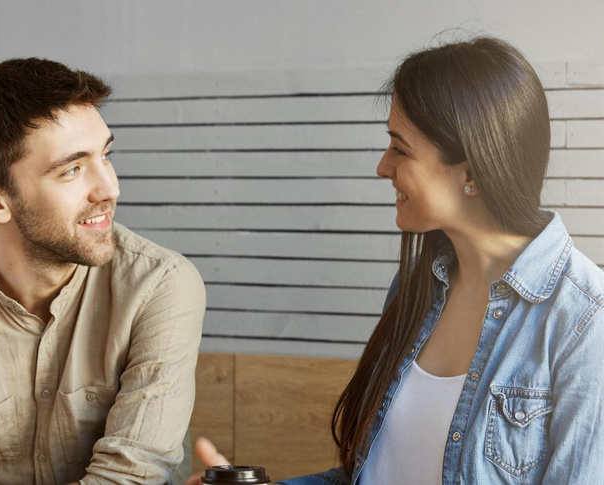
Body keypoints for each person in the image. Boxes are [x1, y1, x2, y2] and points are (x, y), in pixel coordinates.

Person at [188, 36, 604, 485]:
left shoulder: (584, 322)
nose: (382, 167)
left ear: (471, 172)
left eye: (400, 149)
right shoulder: (415, 286)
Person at [0, 58, 206, 485]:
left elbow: (127, 479)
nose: (110, 188)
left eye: (105, 155)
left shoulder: (161, 285)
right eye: (71, 169)